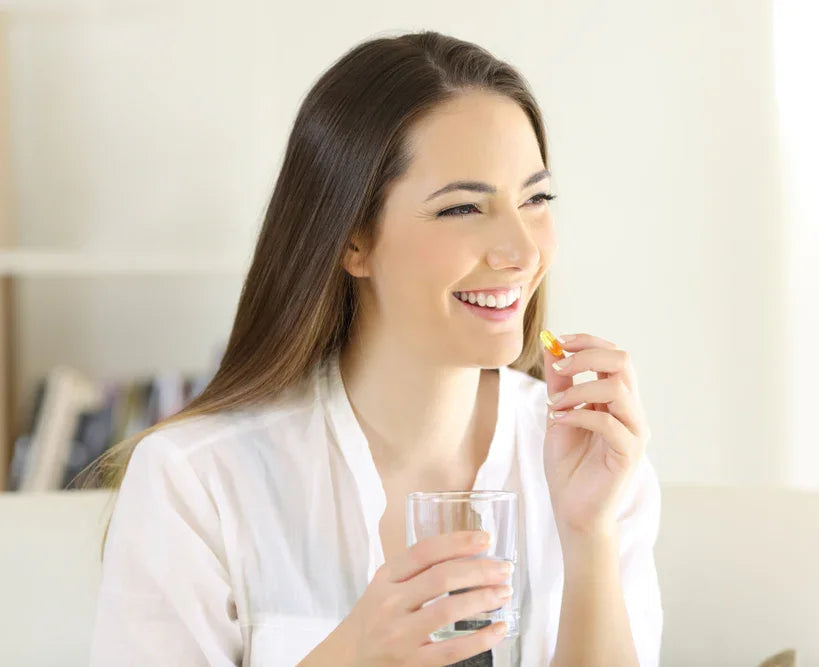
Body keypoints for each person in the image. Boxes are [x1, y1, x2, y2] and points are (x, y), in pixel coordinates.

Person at [83, 29, 663, 667]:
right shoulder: (195, 481)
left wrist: (588, 536)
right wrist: (353, 654)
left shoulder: (590, 462)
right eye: (462, 209)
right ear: (352, 239)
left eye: (536, 199)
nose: (522, 252)